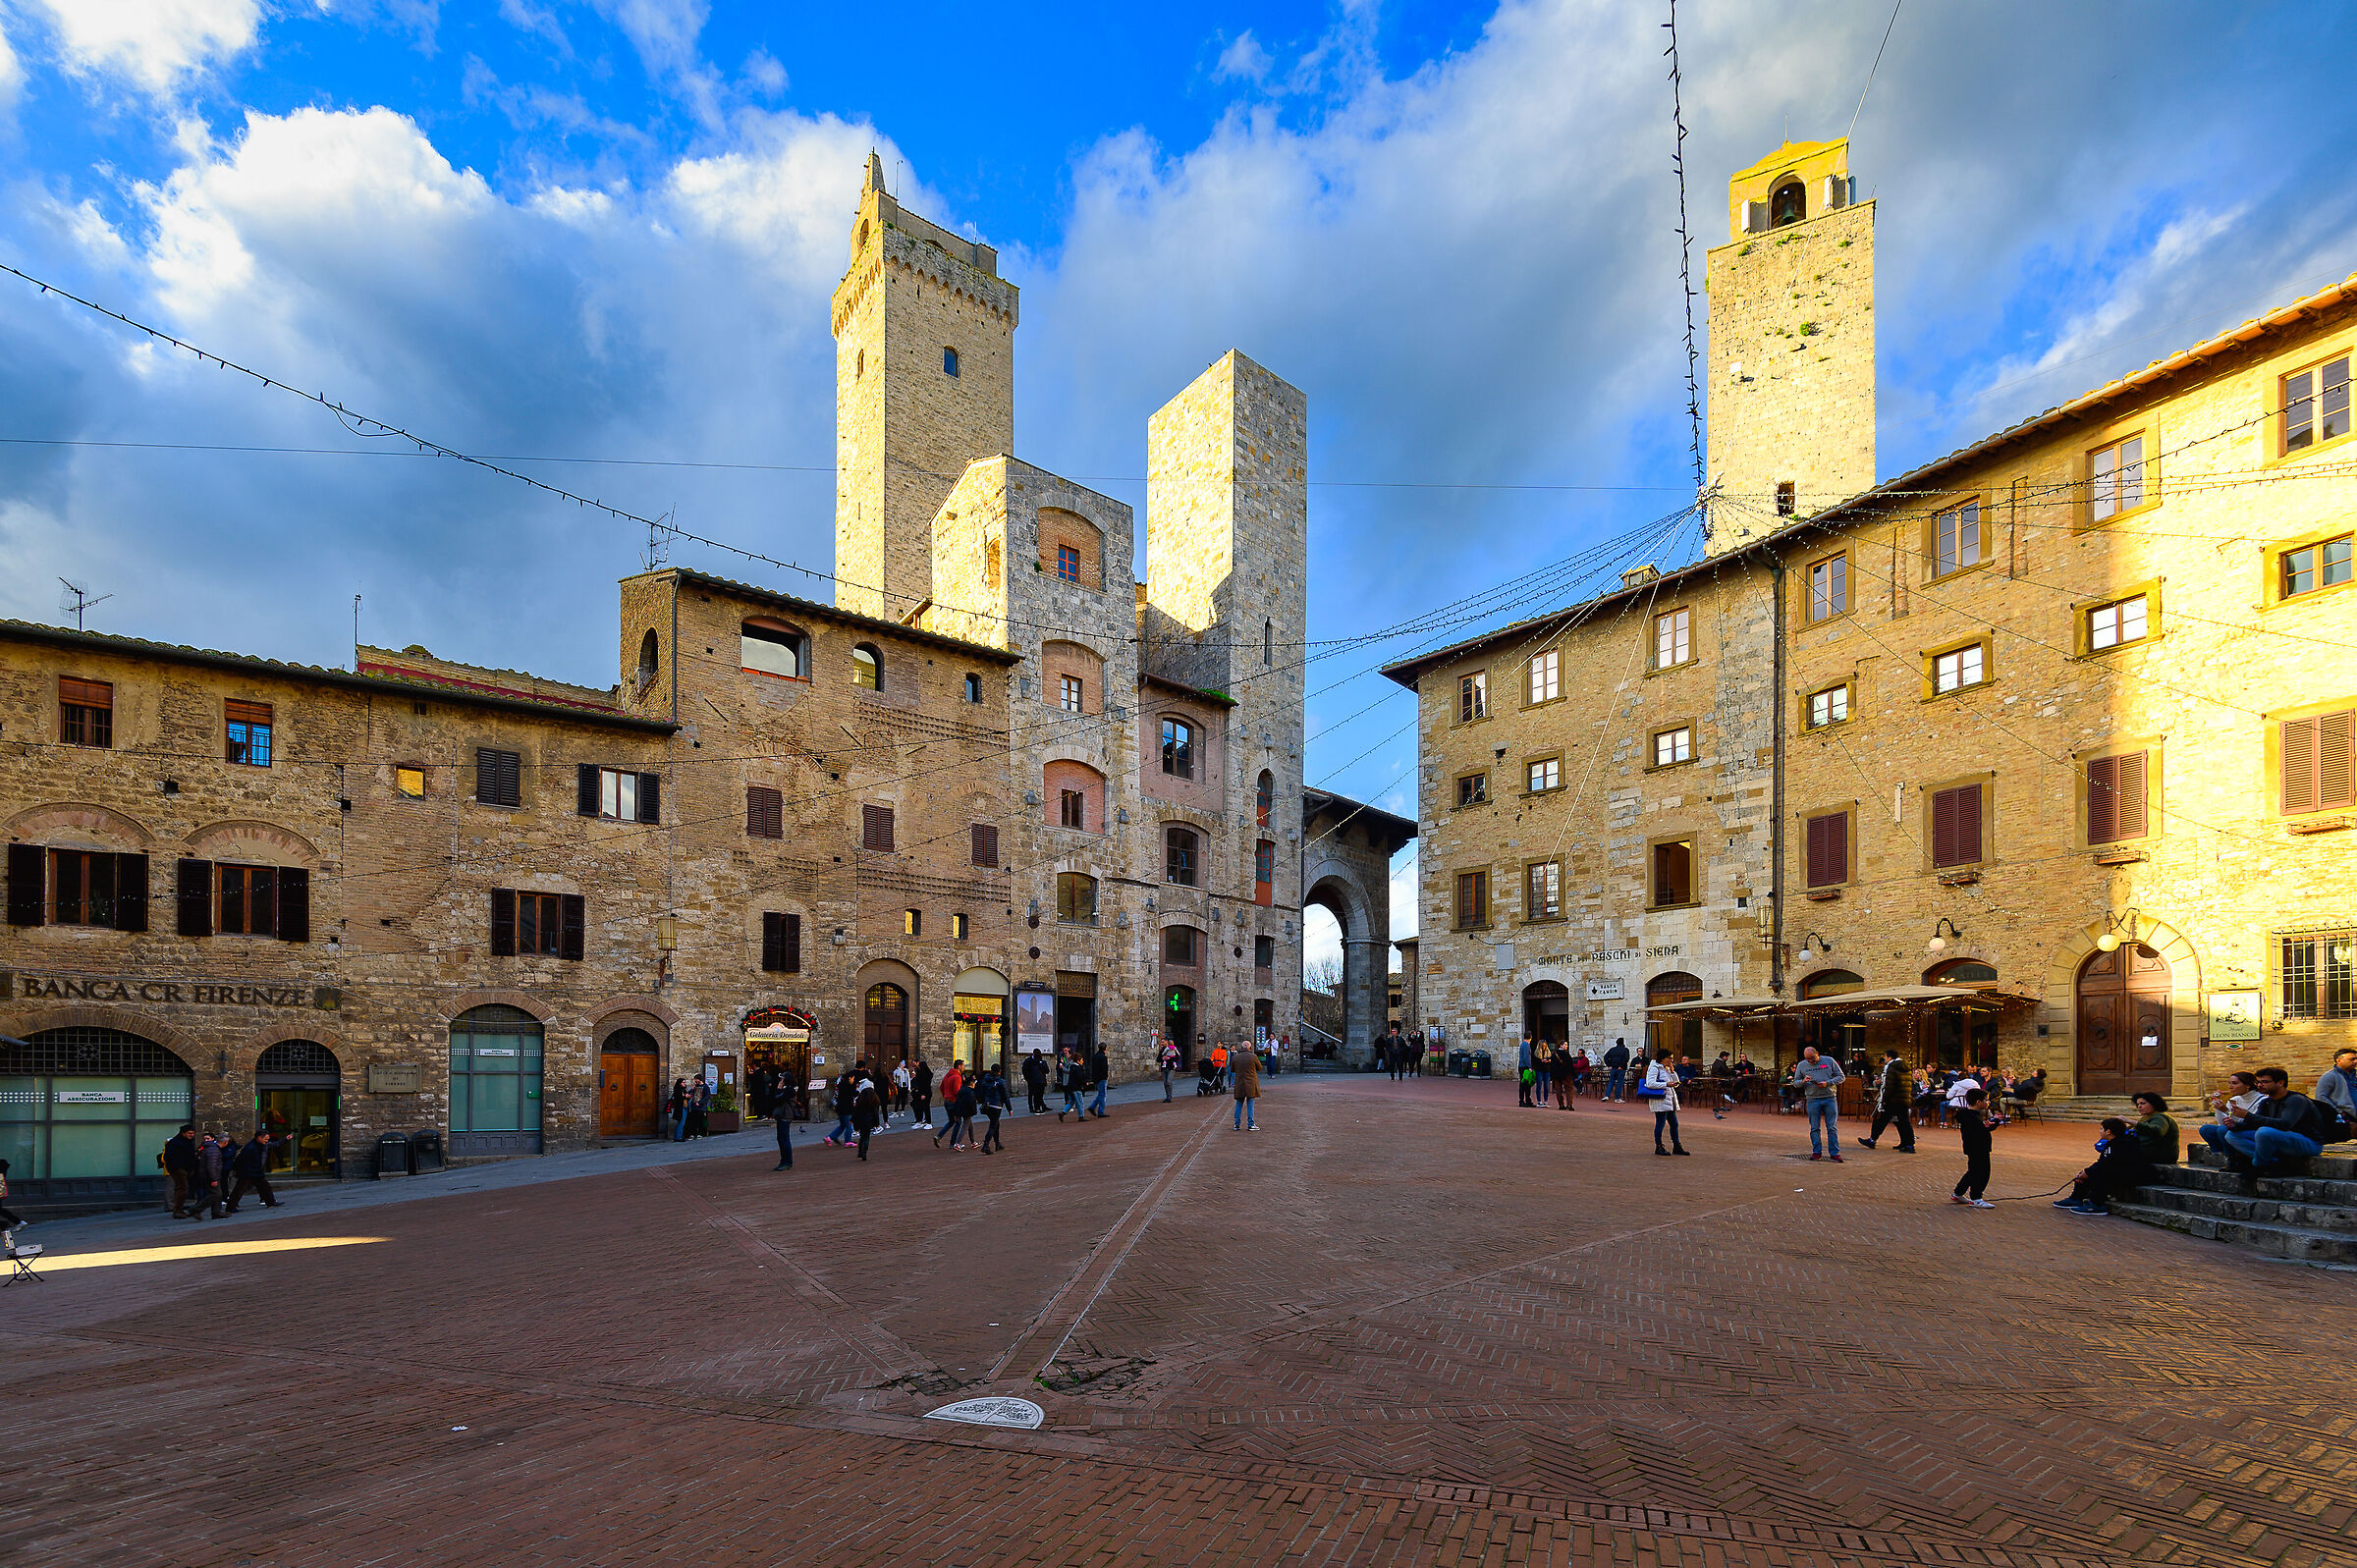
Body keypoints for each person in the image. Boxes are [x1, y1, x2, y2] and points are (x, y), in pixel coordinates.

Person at [2057, 1092, 2178, 1215]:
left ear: (2154, 1104)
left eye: (2143, 1103)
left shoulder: (2160, 1118)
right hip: (2138, 1156)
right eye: (2137, 1104)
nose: (2139, 1107)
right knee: (2099, 1169)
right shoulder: (2146, 1119)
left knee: (2105, 1171)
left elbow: (2157, 1131)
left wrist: (2129, 1121)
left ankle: (2094, 1203)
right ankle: (2077, 1198)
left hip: (2157, 1156)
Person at [2200, 1066, 2331, 1172]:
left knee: (2264, 1132)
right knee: (2231, 1135)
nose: (2260, 1085)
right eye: (2259, 1082)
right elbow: (2252, 1124)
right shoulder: (2267, 1102)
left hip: (2308, 1142)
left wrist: (2247, 1116)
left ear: (2280, 1083)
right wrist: (2235, 1125)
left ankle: (2259, 1165)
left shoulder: (2296, 1100)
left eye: (2265, 1082)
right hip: (2279, 1138)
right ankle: (2272, 1162)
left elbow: (2285, 1125)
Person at [1858, 1051, 1917, 1153]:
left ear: (1889, 1057)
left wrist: (1884, 1099)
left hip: (1892, 1099)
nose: (1884, 1059)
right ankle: (1907, 1143)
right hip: (1903, 1098)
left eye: (1885, 1056)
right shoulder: (1905, 1067)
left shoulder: (1891, 1067)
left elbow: (1889, 1085)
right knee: (1901, 1121)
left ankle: (1873, 1140)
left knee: (1880, 1119)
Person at [1794, 1046, 1845, 1162]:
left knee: (1832, 1127)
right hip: (1812, 1099)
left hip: (1829, 1097)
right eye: (1808, 1059)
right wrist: (1803, 1081)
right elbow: (1795, 1083)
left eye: (1812, 1058)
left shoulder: (1829, 1061)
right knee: (1814, 1127)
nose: (1810, 1061)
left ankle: (1834, 1153)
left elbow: (1841, 1077)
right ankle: (1817, 1152)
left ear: (1817, 1053)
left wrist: (1827, 1083)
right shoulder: (1802, 1065)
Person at [1950, 1087, 1995, 1207]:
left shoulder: (1970, 1115)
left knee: (1973, 1171)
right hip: (1978, 1147)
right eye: (1986, 1100)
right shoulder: (1971, 1117)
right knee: (1982, 1173)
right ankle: (1976, 1197)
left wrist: (1988, 1126)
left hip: (1975, 1147)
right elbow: (1979, 1132)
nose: (1988, 1102)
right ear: (1978, 1102)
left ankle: (1958, 1193)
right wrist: (1990, 1127)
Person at [225, 1129, 284, 1214]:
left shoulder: (258, 1145)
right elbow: (240, 1160)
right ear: (259, 1138)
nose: (267, 1141)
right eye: (266, 1139)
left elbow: (274, 1144)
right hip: (248, 1172)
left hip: (254, 1171)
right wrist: (237, 1170)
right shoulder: (250, 1147)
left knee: (264, 1186)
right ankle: (230, 1207)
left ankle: (271, 1202)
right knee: (239, 1189)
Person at [1643, 1049, 1687, 1155]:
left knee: (1674, 1124)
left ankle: (1676, 1145)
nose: (1671, 1060)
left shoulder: (1666, 1068)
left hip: (1669, 1099)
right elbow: (1650, 1083)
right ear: (1662, 1058)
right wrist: (1665, 1085)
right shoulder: (1654, 1068)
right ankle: (1659, 1146)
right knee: (1660, 1123)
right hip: (1659, 1100)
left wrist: (1672, 1072)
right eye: (1669, 1058)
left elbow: (1676, 1083)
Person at [2315, 1048, 2357, 1133]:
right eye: (2352, 1059)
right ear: (2338, 1060)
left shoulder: (2353, 1077)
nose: (2355, 1062)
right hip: (2346, 1118)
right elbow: (2321, 1097)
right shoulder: (2330, 1076)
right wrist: (2339, 1112)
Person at [163, 1125, 200, 1219]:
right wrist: (178, 1168)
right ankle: (177, 1210)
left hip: (185, 1168)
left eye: (193, 1133)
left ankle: (178, 1208)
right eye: (190, 1133)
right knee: (182, 1189)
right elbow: (169, 1157)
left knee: (181, 1189)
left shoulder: (187, 1142)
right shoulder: (175, 1143)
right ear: (183, 1133)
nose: (192, 1135)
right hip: (178, 1169)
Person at [1233, 1033, 1262, 1130]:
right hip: (1251, 1083)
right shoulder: (1253, 1057)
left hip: (1240, 1083)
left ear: (1241, 1047)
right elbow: (1260, 1068)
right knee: (1250, 1104)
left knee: (1239, 1104)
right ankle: (1250, 1124)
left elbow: (1232, 1069)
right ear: (1250, 1048)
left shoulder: (1236, 1057)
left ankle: (1236, 1124)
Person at [977, 1066, 1009, 1153]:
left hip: (987, 1106)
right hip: (996, 1106)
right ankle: (986, 1145)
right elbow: (1006, 1096)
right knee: (993, 1125)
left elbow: (981, 1093)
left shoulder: (985, 1080)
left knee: (996, 1124)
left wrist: (985, 1101)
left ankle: (997, 1143)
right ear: (999, 1071)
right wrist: (1010, 1109)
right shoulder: (1001, 1082)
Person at [851, 1075, 883, 1161]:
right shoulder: (873, 1100)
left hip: (861, 1120)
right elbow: (875, 1113)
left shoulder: (860, 1099)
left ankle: (860, 1151)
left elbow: (856, 1111)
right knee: (867, 1137)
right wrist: (877, 1124)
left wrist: (853, 1121)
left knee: (862, 1136)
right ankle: (864, 1152)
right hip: (869, 1121)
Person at [935, 1060, 966, 1147]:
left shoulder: (948, 1075)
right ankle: (953, 1143)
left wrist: (945, 1095)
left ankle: (939, 1136)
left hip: (947, 1101)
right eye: (963, 1066)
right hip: (953, 1102)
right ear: (959, 1066)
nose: (964, 1067)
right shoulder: (957, 1077)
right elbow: (957, 1092)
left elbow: (941, 1087)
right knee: (958, 1122)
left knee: (952, 1121)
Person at [827, 1070, 858, 1147]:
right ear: (849, 1078)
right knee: (848, 1126)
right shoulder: (848, 1086)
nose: (853, 1080)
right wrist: (857, 1090)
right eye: (853, 1078)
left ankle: (830, 1137)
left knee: (842, 1125)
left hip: (840, 1108)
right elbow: (853, 1094)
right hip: (846, 1109)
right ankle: (847, 1141)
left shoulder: (841, 1085)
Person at [1603, 1038, 1630, 1105]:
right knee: (1619, 1083)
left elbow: (1605, 1057)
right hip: (1621, 1069)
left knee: (1611, 1082)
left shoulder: (1612, 1049)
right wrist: (1621, 1066)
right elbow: (1626, 1058)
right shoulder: (1625, 1050)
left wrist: (1609, 1065)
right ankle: (1617, 1098)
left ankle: (1607, 1096)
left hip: (1613, 1068)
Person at [1550, 1041, 1575, 1110]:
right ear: (1561, 1045)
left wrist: (1552, 1075)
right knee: (1569, 1089)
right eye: (1565, 1045)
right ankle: (1569, 1104)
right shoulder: (1566, 1054)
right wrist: (1573, 1074)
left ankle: (1561, 1104)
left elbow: (1552, 1065)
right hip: (1566, 1075)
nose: (1566, 1046)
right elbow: (1570, 1065)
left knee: (1558, 1090)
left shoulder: (1554, 1054)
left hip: (1556, 1075)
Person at [911, 1056, 934, 1130]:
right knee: (918, 1106)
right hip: (920, 1093)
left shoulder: (926, 1075)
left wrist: (924, 1094)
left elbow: (926, 1085)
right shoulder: (920, 1073)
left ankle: (929, 1122)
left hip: (925, 1093)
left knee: (926, 1107)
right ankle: (919, 1121)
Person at [1025, 1049, 1052, 1113]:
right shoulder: (1041, 1062)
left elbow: (1025, 1070)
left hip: (1034, 1080)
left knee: (1035, 1095)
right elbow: (1047, 1071)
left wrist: (1028, 1078)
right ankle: (1038, 1107)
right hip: (1039, 1080)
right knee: (1038, 1095)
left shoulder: (1029, 1061)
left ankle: (1037, 1107)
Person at [1087, 1044, 1111, 1117]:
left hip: (1096, 1077)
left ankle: (1092, 1107)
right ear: (1105, 1049)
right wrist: (1105, 1076)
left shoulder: (1095, 1056)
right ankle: (1100, 1111)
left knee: (1101, 1094)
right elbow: (1104, 1068)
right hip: (1102, 1078)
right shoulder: (1103, 1057)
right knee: (1102, 1094)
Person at [772, 1097, 795, 1170]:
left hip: (785, 1116)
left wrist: (779, 1088)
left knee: (784, 1139)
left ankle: (787, 1162)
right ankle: (783, 1161)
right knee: (781, 1139)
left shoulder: (789, 1090)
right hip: (781, 1116)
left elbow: (778, 1098)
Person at [1158, 1036, 1179, 1103]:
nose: (1161, 1043)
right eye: (1161, 1042)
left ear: (1166, 1042)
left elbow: (1177, 1057)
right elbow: (1158, 1059)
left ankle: (1169, 1096)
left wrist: (1169, 1058)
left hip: (1171, 1067)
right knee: (1165, 1083)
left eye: (1163, 1042)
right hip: (1164, 1068)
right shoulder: (1162, 1050)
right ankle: (1167, 1096)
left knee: (1169, 1082)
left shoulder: (1173, 1049)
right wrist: (1162, 1058)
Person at [1516, 1036, 1536, 1108]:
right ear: (1531, 1037)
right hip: (1525, 1067)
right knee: (1526, 1085)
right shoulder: (1526, 1045)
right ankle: (1526, 1100)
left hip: (1521, 1066)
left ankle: (1524, 1100)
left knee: (1523, 1084)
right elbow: (1526, 1057)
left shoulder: (1522, 1044)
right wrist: (1529, 1067)